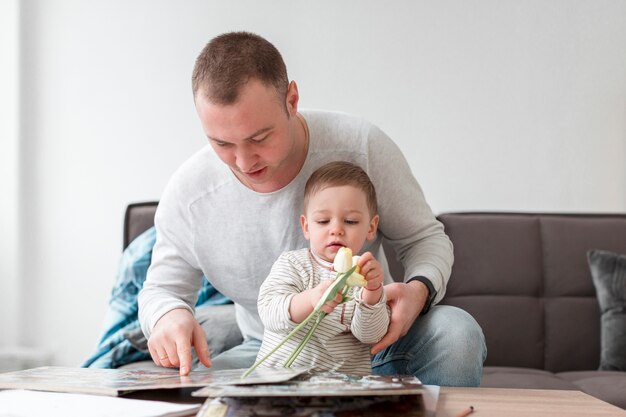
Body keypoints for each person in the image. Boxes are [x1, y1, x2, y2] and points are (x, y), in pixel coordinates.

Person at [138, 31, 486, 385]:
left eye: (260, 138)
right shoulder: (189, 194)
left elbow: (425, 239)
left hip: (371, 348)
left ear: (292, 99)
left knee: (457, 333)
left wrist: (418, 291)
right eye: (222, 143)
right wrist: (168, 316)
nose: (243, 162)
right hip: (270, 350)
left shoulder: (360, 146)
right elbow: (161, 291)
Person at [255, 161, 390, 375]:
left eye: (351, 221)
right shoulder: (293, 263)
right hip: (282, 381)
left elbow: (371, 336)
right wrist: (309, 300)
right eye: (323, 221)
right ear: (307, 226)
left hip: (343, 386)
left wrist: (372, 294)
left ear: (371, 227)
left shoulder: (365, 276)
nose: (336, 229)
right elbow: (269, 311)